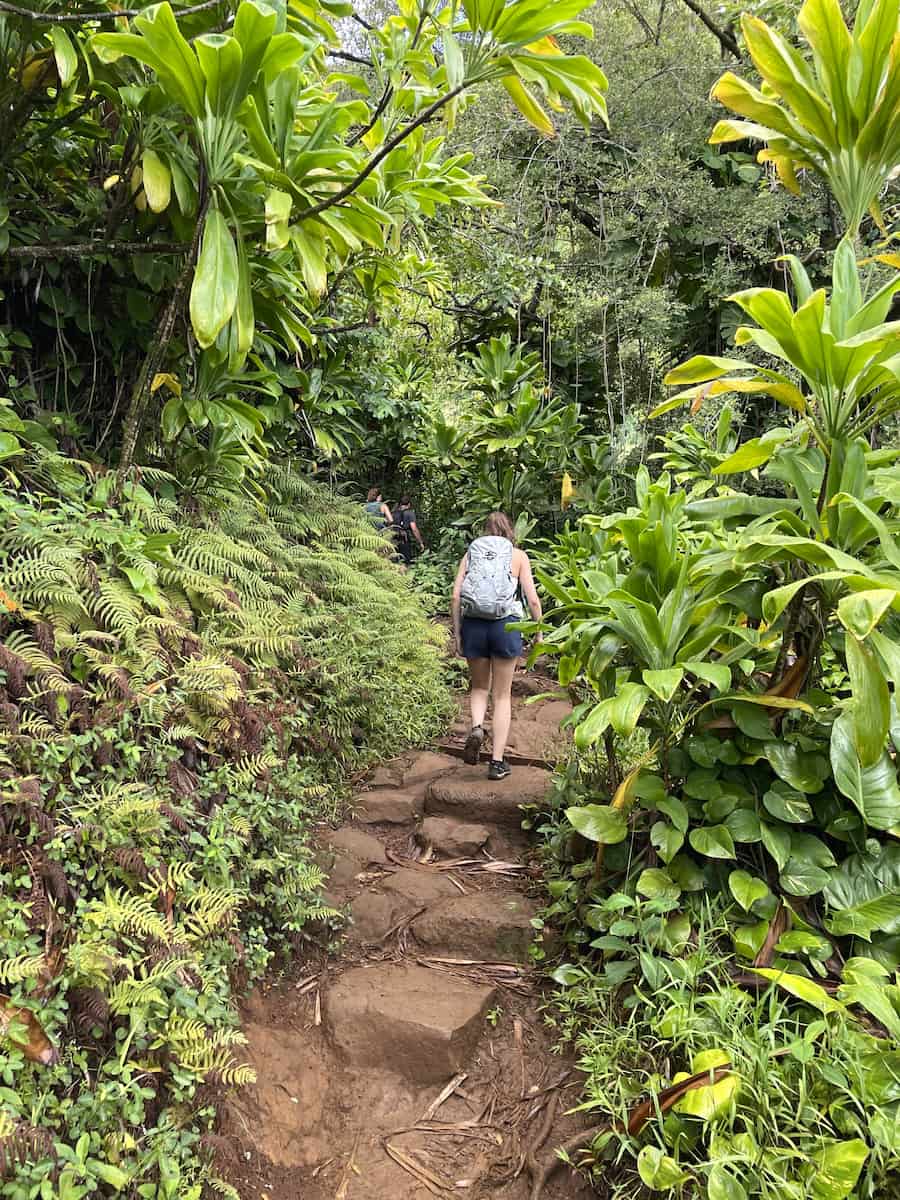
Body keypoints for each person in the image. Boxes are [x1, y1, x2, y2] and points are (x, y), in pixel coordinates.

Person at [451, 512, 542, 781]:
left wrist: (458, 635)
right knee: (502, 696)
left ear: (485, 531)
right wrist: (538, 633)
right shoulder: (518, 556)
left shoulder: (471, 554)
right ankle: (497, 762)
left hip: (474, 626)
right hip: (506, 627)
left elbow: (455, 596)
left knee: (479, 688)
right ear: (509, 531)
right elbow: (532, 599)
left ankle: (477, 727)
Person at [392, 496, 425, 564]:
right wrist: (420, 542)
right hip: (404, 539)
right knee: (405, 561)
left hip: (393, 539)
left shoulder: (393, 512)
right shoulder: (409, 513)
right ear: (409, 504)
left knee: (396, 561)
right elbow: (414, 529)